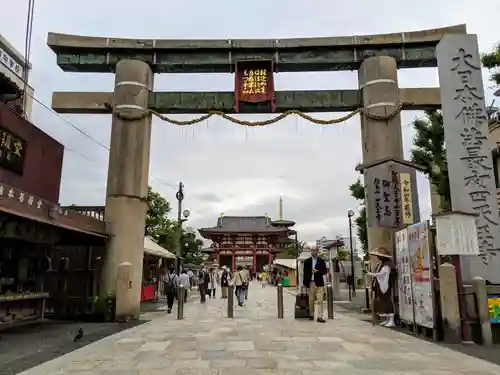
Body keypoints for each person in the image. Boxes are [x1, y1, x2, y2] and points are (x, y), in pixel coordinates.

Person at [364, 247, 397, 328]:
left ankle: (391, 320)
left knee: (387, 301)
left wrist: (370, 274)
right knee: (382, 302)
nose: (377, 257)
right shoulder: (381, 263)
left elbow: (381, 274)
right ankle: (387, 319)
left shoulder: (387, 264)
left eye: (379, 256)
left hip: (385, 285)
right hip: (380, 284)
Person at [303, 246, 327, 323]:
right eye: (312, 250)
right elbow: (305, 273)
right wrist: (305, 283)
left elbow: (324, 271)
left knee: (320, 300)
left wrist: (317, 271)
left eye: (314, 250)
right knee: (311, 300)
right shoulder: (307, 261)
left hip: (319, 283)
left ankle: (320, 316)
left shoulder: (321, 261)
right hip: (311, 283)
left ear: (317, 251)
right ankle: (311, 314)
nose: (313, 252)